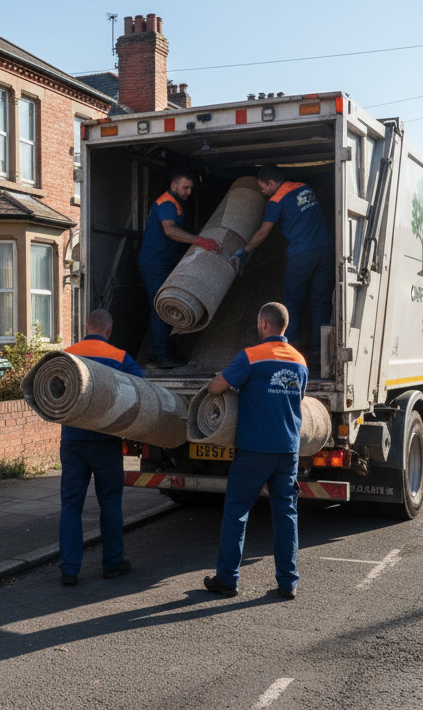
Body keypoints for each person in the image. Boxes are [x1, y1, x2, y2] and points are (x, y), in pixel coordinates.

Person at [202, 302, 306, 599]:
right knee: (286, 514)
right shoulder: (300, 361)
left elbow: (216, 387)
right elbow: (298, 398)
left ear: (263, 324)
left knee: (237, 512)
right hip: (288, 450)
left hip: (254, 449)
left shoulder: (251, 356)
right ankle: (288, 583)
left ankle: (228, 579)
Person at [57, 309, 144, 586]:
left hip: (72, 441)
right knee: (110, 503)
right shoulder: (119, 357)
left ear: (86, 326)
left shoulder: (67, 354)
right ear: (108, 330)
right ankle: (112, 563)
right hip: (105, 442)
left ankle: (69, 570)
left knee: (71, 505)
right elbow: (140, 388)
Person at [230, 165, 335, 361]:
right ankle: (320, 356)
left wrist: (244, 252)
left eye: (263, 187)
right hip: (326, 250)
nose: (262, 192)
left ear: (271, 183)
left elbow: (263, 232)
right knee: (320, 303)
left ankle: (291, 356)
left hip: (301, 254)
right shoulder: (304, 188)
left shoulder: (276, 201)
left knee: (292, 306)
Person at [137, 170, 222, 367]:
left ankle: (160, 353)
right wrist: (199, 240)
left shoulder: (173, 204)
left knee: (162, 307)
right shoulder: (167, 203)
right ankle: (163, 357)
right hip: (155, 264)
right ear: (174, 185)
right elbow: (170, 230)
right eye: (185, 187)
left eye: (191, 188)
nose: (189, 192)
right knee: (161, 308)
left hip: (163, 262)